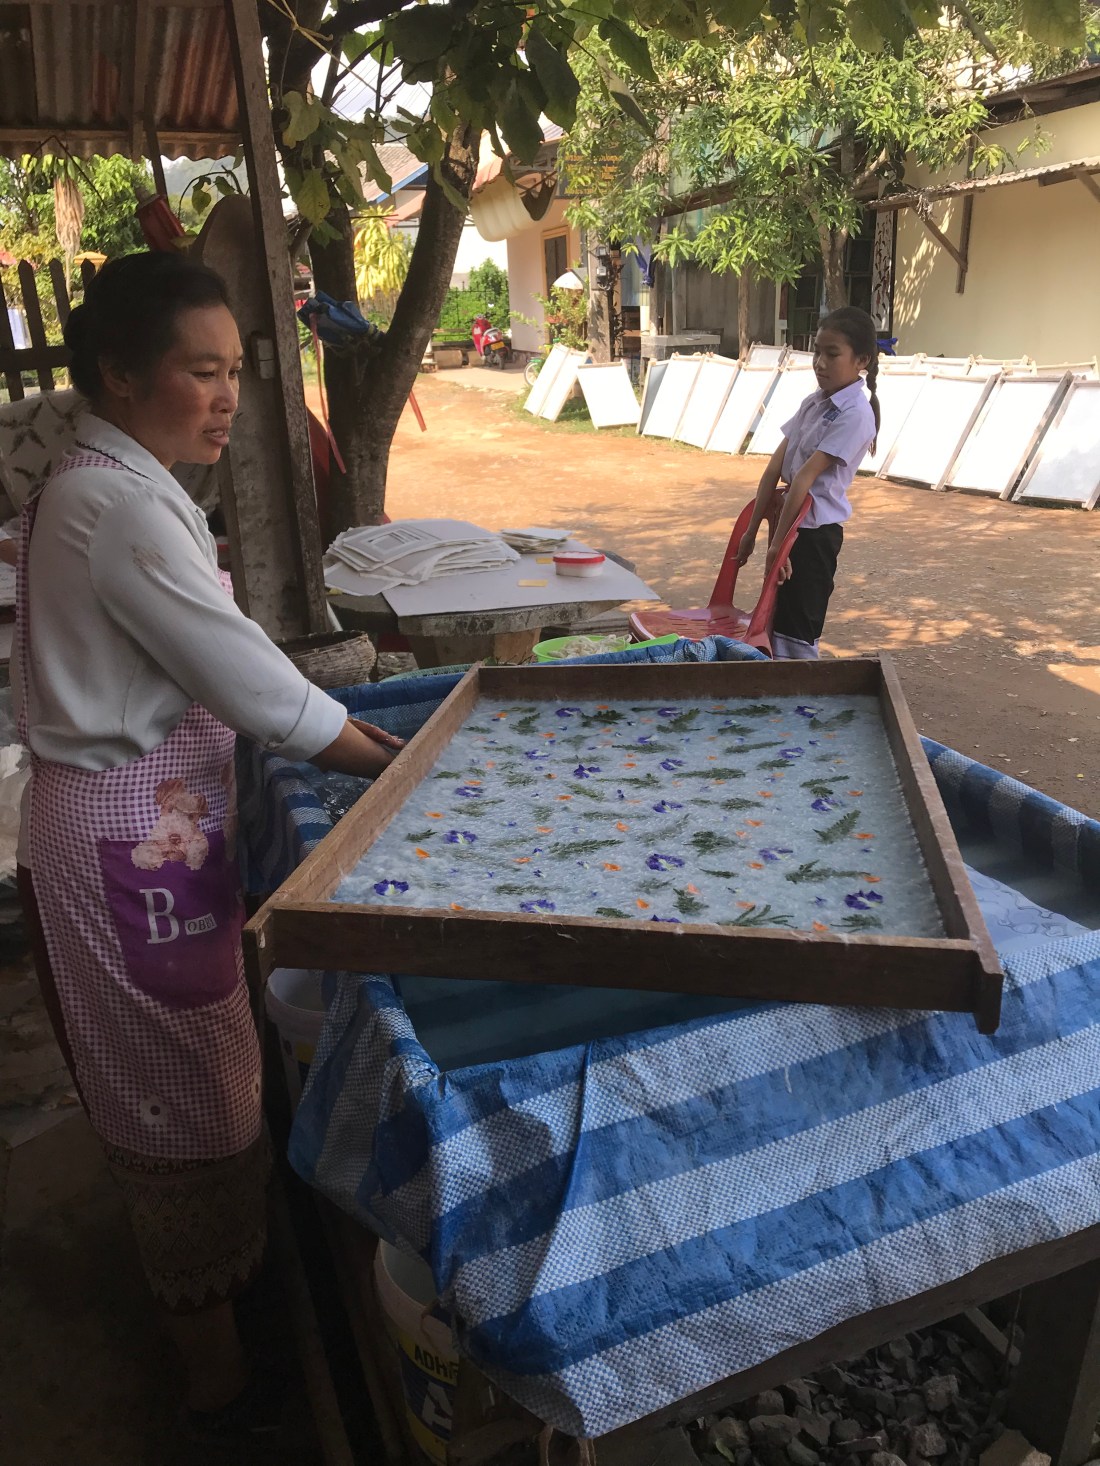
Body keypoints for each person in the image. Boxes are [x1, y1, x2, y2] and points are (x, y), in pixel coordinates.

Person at [12, 251, 402, 1437]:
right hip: (131, 841)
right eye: (201, 370)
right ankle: (217, 1378)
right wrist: (396, 763)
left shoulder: (109, 477)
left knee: (187, 1064)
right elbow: (253, 684)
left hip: (139, 825)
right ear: (122, 373)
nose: (227, 395)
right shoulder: (120, 503)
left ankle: (221, 1308)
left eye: (234, 370)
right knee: (176, 1090)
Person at [736, 306, 880, 659]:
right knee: (775, 621)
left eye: (832, 354)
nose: (820, 363)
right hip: (788, 526)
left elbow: (803, 478)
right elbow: (775, 467)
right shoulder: (813, 402)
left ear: (861, 360)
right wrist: (752, 531)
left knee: (798, 632)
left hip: (814, 536)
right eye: (817, 352)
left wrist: (778, 547)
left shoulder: (855, 415)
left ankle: (802, 690)